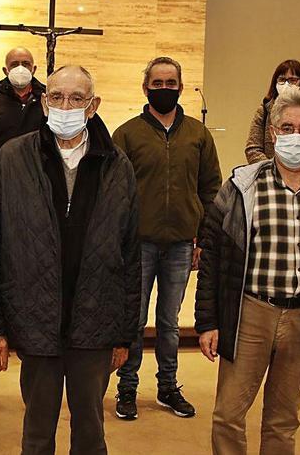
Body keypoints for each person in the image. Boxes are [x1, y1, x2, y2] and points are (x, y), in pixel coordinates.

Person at [0, 65, 140, 455]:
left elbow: (131, 258)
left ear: (93, 105)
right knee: (36, 432)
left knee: (90, 432)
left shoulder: (117, 166)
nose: (66, 105)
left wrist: (124, 333)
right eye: (58, 97)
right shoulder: (11, 158)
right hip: (35, 318)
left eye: (77, 98)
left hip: (95, 321)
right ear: (45, 103)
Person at [195, 87, 300, 455]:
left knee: (283, 419)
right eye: (287, 128)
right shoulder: (241, 187)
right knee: (228, 413)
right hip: (252, 312)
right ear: (272, 133)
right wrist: (208, 321)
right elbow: (213, 260)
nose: (296, 136)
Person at [111, 56, 221, 420]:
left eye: (170, 83)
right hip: (138, 244)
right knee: (134, 319)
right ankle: (127, 386)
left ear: (181, 87)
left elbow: (210, 189)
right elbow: (113, 193)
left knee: (170, 322)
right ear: (145, 89)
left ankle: (167, 387)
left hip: (179, 244)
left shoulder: (198, 135)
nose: (163, 89)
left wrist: (202, 238)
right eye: (156, 84)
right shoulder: (126, 134)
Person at [0, 46, 46, 198]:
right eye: (14, 64)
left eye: (25, 64)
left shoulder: (47, 101)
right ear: (6, 70)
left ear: (34, 69)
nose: (20, 69)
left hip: (38, 183)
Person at [244, 59, 300, 165]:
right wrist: (273, 170)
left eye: (293, 80)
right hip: (267, 175)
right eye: (282, 80)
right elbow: (253, 148)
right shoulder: (264, 109)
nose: (287, 84)